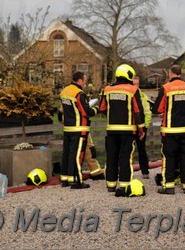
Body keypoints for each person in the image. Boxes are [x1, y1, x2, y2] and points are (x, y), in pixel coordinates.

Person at [98, 64, 146, 197]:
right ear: (129, 75)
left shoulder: (107, 89)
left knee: (111, 157)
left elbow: (102, 108)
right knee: (125, 157)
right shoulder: (132, 90)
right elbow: (138, 111)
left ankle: (111, 184)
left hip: (111, 130)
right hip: (128, 131)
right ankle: (124, 185)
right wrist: (141, 128)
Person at [152, 64, 185, 195]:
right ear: (180, 73)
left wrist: (162, 111)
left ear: (170, 73)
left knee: (169, 158)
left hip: (170, 130)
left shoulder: (166, 88)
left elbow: (157, 109)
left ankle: (169, 186)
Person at [59, 71, 98, 189]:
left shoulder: (64, 92)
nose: (86, 84)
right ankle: (77, 181)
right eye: (85, 81)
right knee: (77, 155)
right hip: (79, 129)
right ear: (80, 80)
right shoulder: (79, 94)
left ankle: (65, 179)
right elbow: (86, 112)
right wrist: (96, 109)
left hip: (68, 128)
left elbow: (60, 112)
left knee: (67, 153)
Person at [133, 76, 153, 179]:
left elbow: (147, 112)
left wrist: (145, 127)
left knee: (141, 149)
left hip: (141, 127)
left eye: (137, 84)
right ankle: (125, 170)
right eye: (134, 84)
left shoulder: (143, 96)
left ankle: (145, 171)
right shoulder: (129, 94)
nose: (136, 86)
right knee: (127, 150)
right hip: (130, 126)